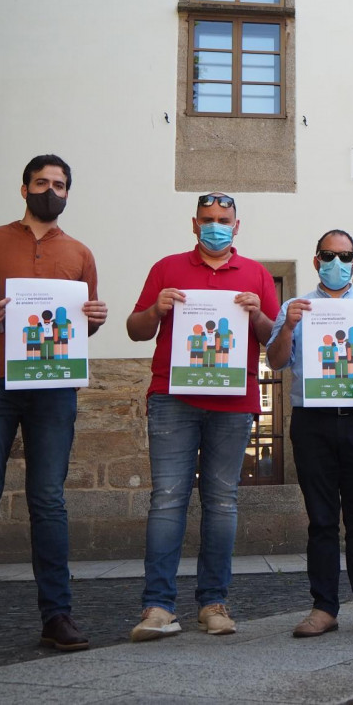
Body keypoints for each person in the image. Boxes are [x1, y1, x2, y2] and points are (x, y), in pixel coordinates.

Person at [0, 154, 108, 662]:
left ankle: (57, 616)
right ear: (24, 189)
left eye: (59, 185)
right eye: (42, 182)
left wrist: (94, 318)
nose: (50, 191)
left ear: (67, 194)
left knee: (49, 501)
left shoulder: (80, 253)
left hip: (55, 386)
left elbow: (86, 322)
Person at [126, 193, 279, 642]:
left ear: (237, 226)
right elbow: (136, 329)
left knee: (222, 501)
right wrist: (156, 309)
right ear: (194, 224)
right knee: (167, 499)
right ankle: (157, 607)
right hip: (173, 398)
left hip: (234, 400)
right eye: (208, 220)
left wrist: (257, 315)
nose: (216, 226)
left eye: (223, 220)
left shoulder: (255, 274)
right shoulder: (166, 267)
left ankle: (213, 603)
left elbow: (273, 337)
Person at [266, 229, 353, 637]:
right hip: (312, 423)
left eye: (345, 256)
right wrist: (288, 327)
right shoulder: (294, 306)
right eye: (328, 255)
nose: (337, 262)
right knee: (321, 518)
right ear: (316, 261)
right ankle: (323, 607)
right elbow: (275, 361)